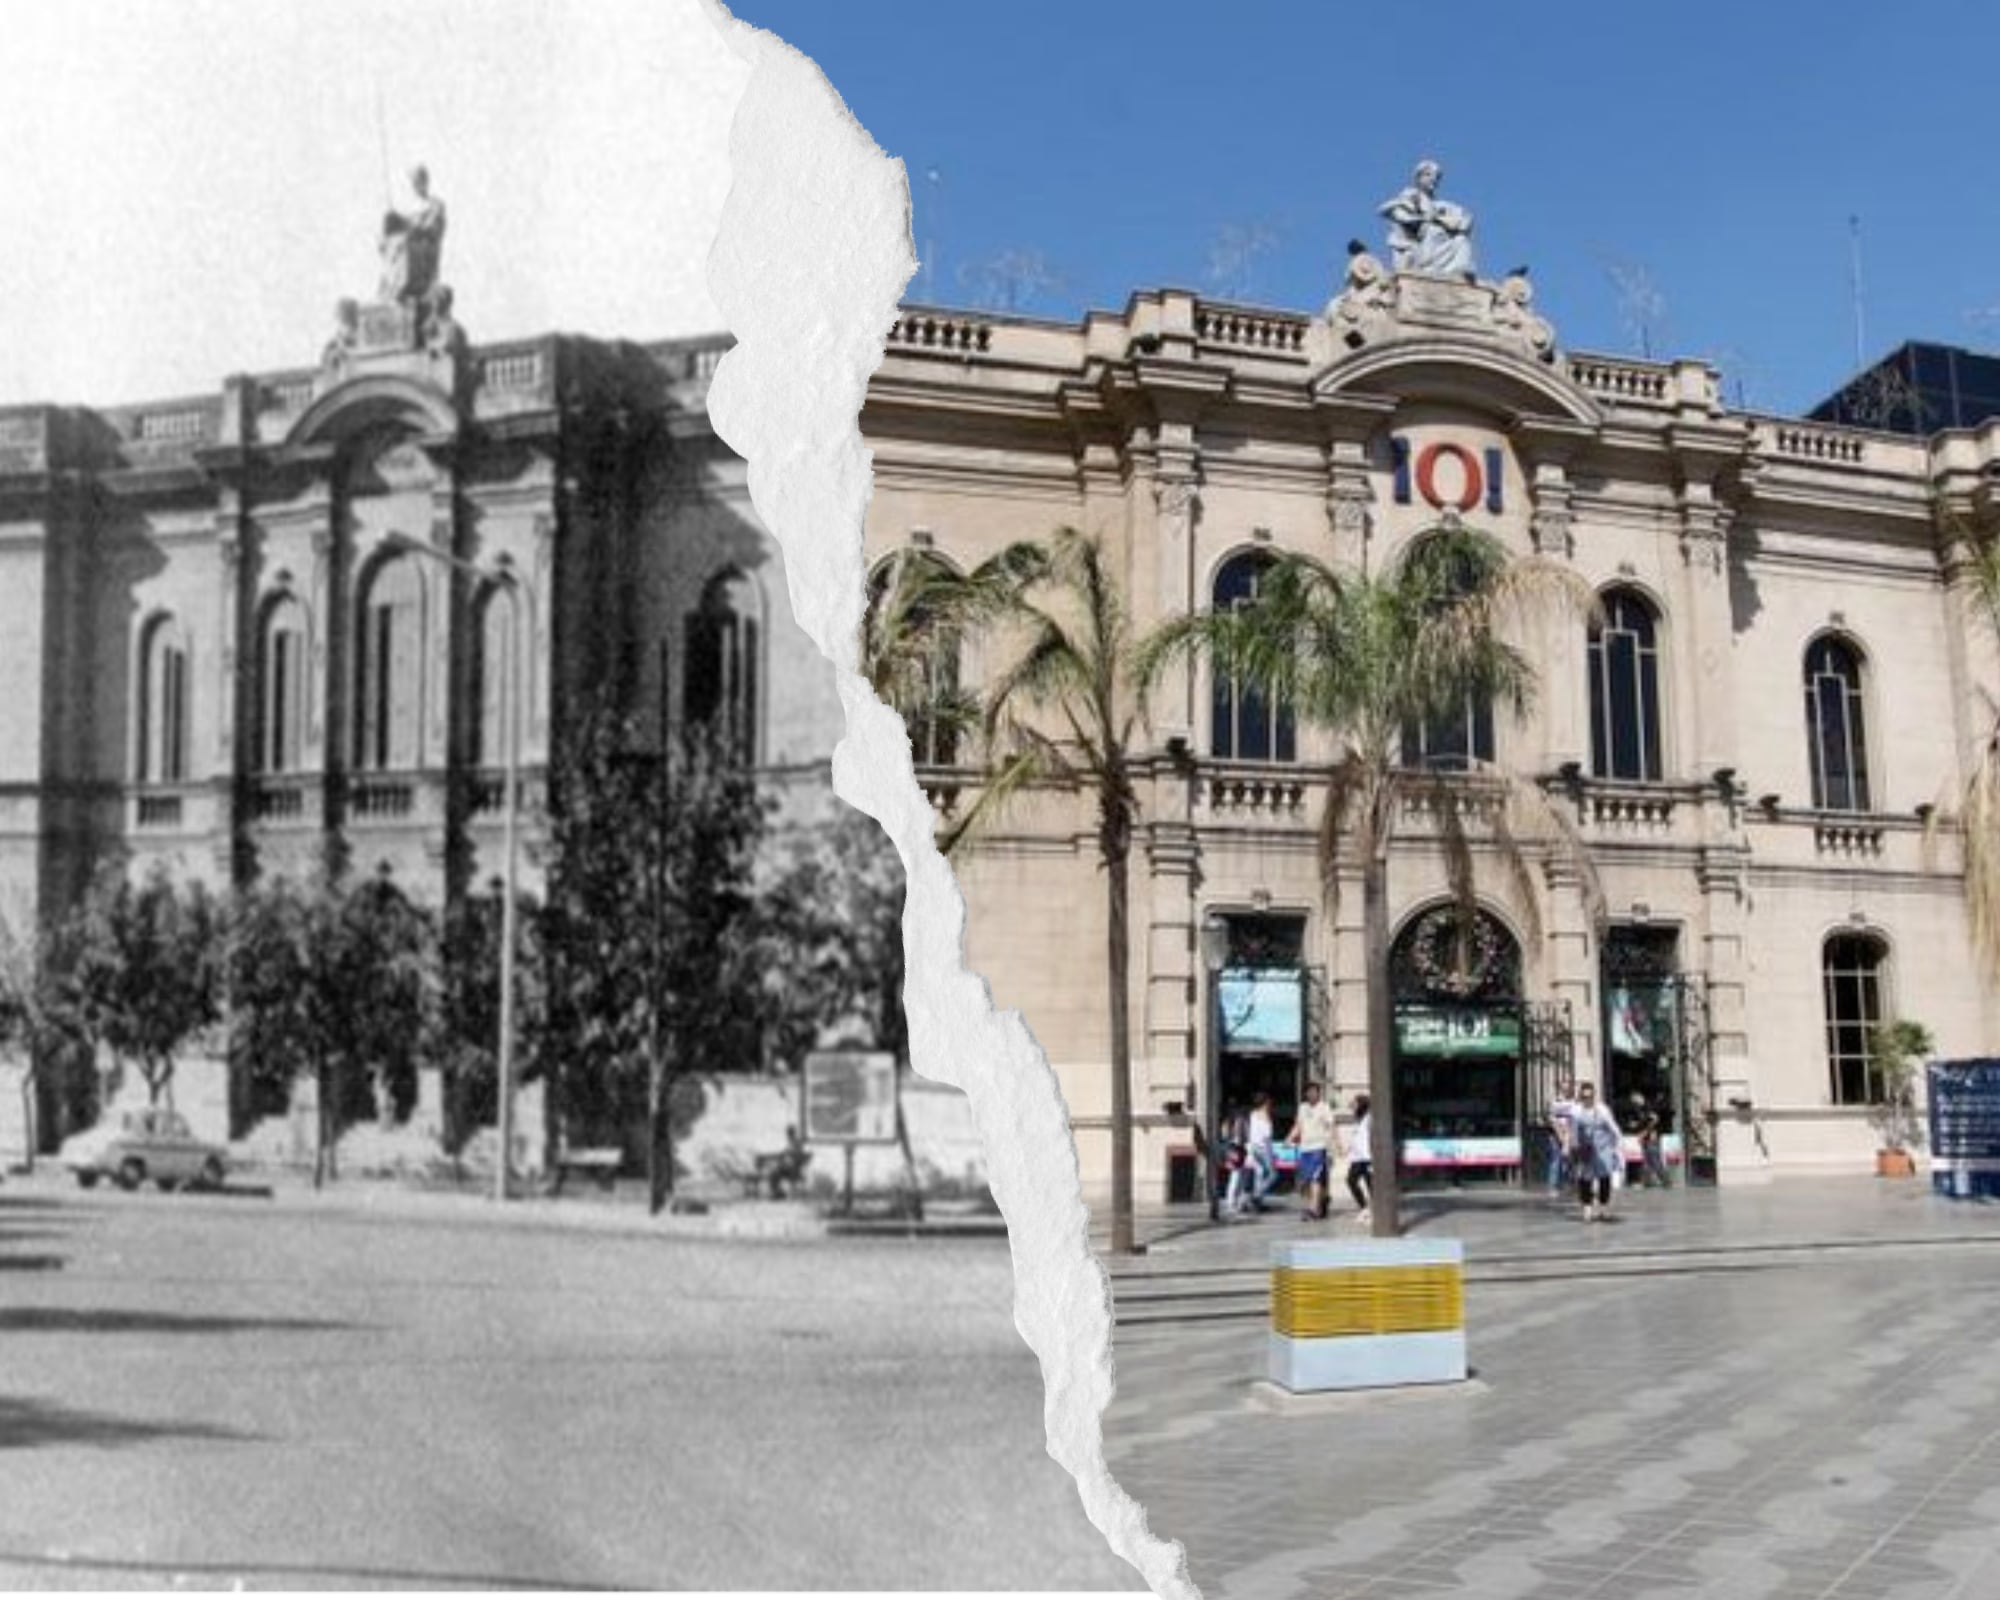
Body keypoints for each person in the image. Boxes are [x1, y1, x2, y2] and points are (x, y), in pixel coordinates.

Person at [1378, 159, 1475, 278]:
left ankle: (1459, 270)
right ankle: (1428, 267)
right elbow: (1388, 211)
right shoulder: (1411, 195)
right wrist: (1420, 218)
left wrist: (1445, 219)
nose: (1433, 179)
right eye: (1428, 175)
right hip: (1420, 242)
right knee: (1432, 230)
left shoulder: (1440, 204)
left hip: (1438, 240)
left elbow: (1465, 219)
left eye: (1436, 177)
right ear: (1418, 177)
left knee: (1461, 240)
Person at [1552, 1081, 1624, 1222]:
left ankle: (1603, 1209)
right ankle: (1587, 1209)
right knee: (1585, 1179)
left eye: (1589, 1097)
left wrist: (1619, 1144)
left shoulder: (1602, 1110)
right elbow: (1571, 1129)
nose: (1587, 1099)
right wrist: (1568, 1145)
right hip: (1585, 1149)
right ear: (1581, 1097)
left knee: (1604, 1178)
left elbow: (1613, 1128)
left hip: (1603, 1148)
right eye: (1584, 1097)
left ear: (1594, 1096)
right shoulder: (1576, 1111)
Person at [1288, 1082, 1335, 1222]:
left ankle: (1313, 1209)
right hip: (1305, 1148)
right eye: (1309, 1092)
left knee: (1315, 1178)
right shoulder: (1302, 1108)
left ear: (1319, 1093)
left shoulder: (1324, 1107)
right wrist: (1289, 1138)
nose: (1312, 1094)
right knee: (1306, 1180)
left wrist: (1337, 1144)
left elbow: (1331, 1126)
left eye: (1314, 1091)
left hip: (1318, 1147)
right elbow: (1298, 1125)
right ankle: (1323, 1199)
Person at [1343, 1093, 1374, 1228]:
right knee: (1350, 1180)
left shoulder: (1369, 1118)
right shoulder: (1357, 1119)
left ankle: (1373, 1212)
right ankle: (1364, 1208)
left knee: (1371, 1185)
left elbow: (1372, 1136)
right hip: (1357, 1157)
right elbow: (1356, 1137)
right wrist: (1348, 1149)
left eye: (1355, 1103)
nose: (1352, 1106)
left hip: (1368, 1157)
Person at [1629, 1090, 1670, 1188]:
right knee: (1646, 1161)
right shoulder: (1639, 1109)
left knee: (1655, 1159)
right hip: (1645, 1138)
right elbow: (1640, 1122)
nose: (1634, 1103)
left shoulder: (1649, 1107)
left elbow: (1654, 1120)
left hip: (1651, 1137)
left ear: (1640, 1097)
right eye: (1633, 1101)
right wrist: (1635, 1126)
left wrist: (1645, 1132)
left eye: (1635, 1100)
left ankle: (1666, 1181)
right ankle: (1646, 1182)